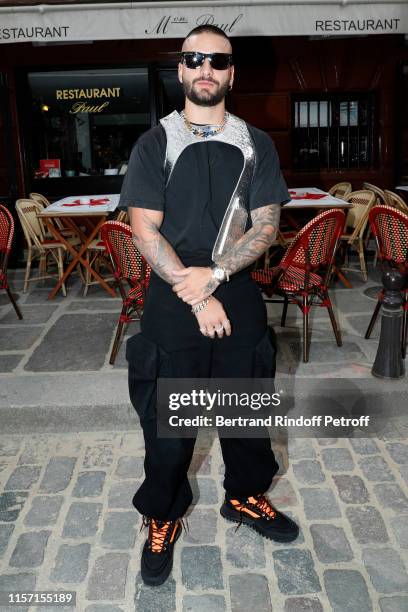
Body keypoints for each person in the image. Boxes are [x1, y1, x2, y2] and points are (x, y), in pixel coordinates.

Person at [119, 24, 299, 587]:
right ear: (180, 70)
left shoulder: (255, 144)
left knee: (246, 419)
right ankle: (163, 516)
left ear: (231, 73)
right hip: (174, 303)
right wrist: (196, 293)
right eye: (194, 58)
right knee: (171, 429)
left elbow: (266, 225)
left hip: (238, 291)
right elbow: (143, 230)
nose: (205, 68)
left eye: (217, 61)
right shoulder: (155, 143)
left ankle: (244, 497)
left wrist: (217, 277)